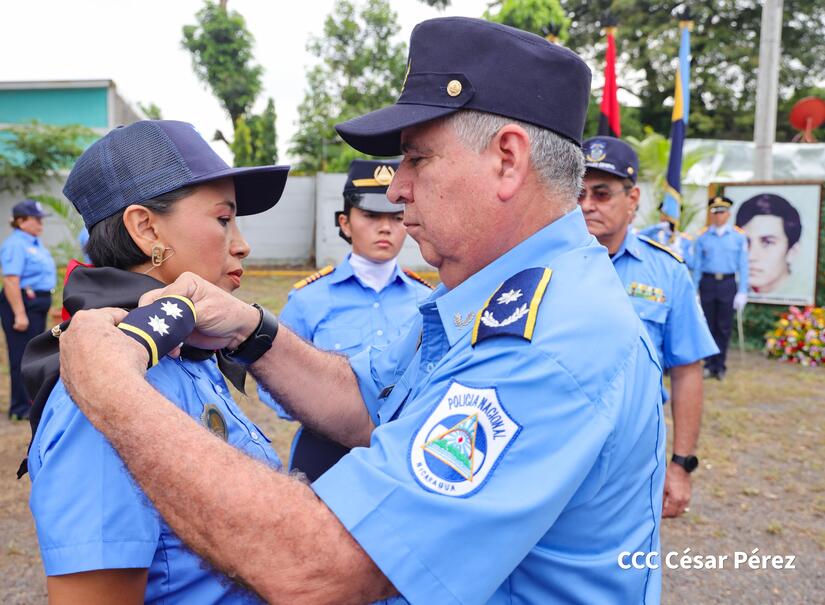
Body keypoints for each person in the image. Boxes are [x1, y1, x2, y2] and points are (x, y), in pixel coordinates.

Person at [58, 18, 665, 604]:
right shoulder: (494, 296)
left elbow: (323, 568)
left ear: (507, 160)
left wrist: (109, 389)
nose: (396, 191)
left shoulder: (552, 340)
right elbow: (363, 398)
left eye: (417, 159)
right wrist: (252, 329)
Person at [24, 120, 289, 603]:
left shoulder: (185, 348)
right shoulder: (103, 390)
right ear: (146, 228)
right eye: (223, 219)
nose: (241, 243)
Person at [258, 158, 433, 481]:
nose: (385, 227)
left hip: (404, 456)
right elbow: (272, 379)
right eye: (370, 215)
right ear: (345, 222)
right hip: (327, 453)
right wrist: (325, 409)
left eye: (396, 217)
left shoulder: (426, 301)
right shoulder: (310, 299)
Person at [579, 135, 718, 519]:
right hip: (554, 446)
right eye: (579, 193)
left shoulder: (667, 272)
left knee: (624, 566)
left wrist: (682, 464)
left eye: (602, 194)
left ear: (633, 199)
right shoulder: (546, 265)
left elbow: (687, 370)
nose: (587, 205)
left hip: (631, 457)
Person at [0, 199, 56, 421]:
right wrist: (19, 313)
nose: (41, 223)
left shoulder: (34, 242)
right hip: (22, 304)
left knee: (32, 354)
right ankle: (20, 407)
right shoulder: (16, 244)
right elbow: (12, 280)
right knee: (21, 356)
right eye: (36, 219)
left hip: (36, 304)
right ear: (22, 221)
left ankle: (30, 402)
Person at [693, 195, 749, 380]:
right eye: (715, 212)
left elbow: (743, 266)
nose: (718, 216)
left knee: (723, 326)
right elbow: (698, 265)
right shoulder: (703, 237)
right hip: (708, 283)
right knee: (707, 325)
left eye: (722, 212)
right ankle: (709, 364)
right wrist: (694, 290)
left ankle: (720, 365)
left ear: (728, 214)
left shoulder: (738, 237)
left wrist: (742, 291)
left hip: (727, 283)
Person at [735, 193, 802, 295]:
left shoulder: (802, 293)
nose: (750, 256)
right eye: (745, 242)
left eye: (767, 242)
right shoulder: (730, 292)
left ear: (791, 252)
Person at [638, 203, 696, 270]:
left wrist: (680, 254)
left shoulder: (684, 239)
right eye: (664, 214)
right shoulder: (654, 235)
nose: (666, 218)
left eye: (670, 215)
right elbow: (638, 236)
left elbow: (692, 264)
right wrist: (657, 227)